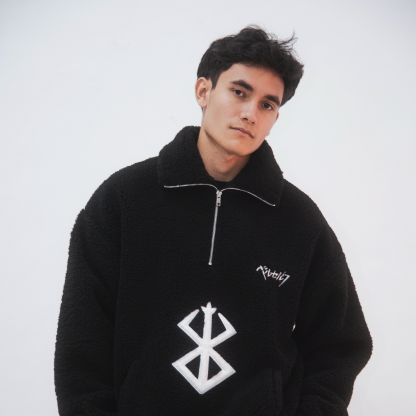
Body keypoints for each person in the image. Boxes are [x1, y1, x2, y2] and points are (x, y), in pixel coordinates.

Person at [54, 25, 372, 415]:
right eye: (239, 92)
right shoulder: (122, 200)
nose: (250, 113)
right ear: (203, 91)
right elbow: (81, 339)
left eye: (267, 105)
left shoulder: (300, 222)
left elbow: (340, 343)